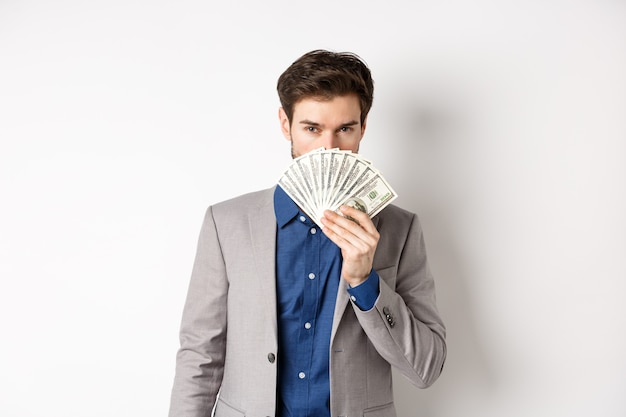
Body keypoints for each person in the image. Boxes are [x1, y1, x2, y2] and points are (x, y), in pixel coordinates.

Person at [168, 49, 447, 417]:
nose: (328, 149)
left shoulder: (399, 228)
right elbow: (200, 355)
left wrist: (366, 282)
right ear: (286, 124)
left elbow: (425, 369)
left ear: (363, 126)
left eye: (344, 129)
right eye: (312, 129)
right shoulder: (227, 223)